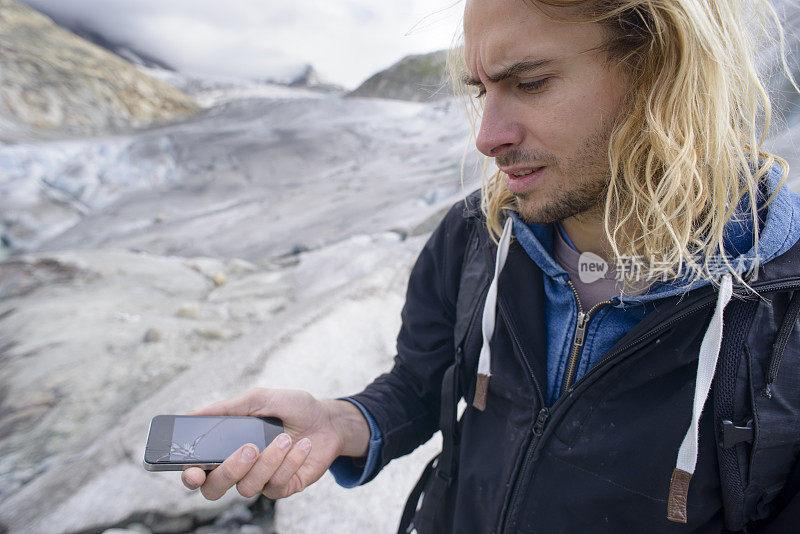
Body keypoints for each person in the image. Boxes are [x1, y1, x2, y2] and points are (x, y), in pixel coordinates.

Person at [180, 0, 800, 531]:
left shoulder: (784, 298)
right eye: (483, 90)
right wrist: (340, 423)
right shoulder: (475, 236)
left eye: (529, 82)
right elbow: (422, 386)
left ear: (659, 65)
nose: (487, 135)